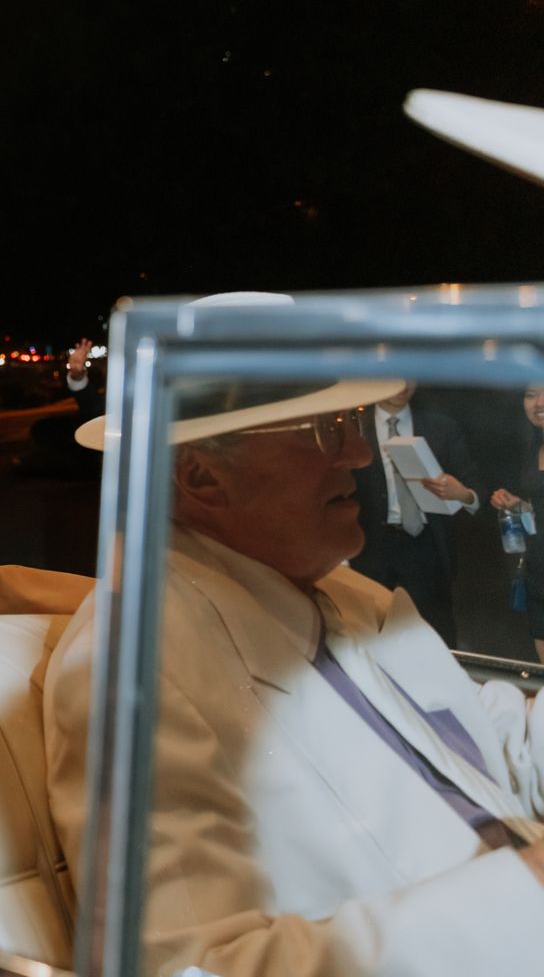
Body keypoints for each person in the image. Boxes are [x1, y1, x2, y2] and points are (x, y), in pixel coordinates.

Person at [48, 349, 544, 976]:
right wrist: (520, 897)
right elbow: (191, 967)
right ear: (203, 479)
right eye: (323, 432)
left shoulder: (343, 592)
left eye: (350, 422)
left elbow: (489, 749)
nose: (359, 455)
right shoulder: (132, 671)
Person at [347, 381, 480, 648]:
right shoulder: (353, 429)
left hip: (425, 547)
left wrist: (463, 493)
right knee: (370, 636)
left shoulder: (442, 428)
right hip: (369, 547)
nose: (403, 383)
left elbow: (477, 491)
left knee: (436, 637)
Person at [488, 383, 544, 663]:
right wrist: (517, 505)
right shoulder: (533, 444)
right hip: (538, 571)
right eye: (530, 394)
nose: (538, 403)